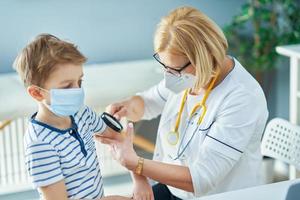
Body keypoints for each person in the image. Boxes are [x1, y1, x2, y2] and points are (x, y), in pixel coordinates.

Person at [97, 6, 269, 200]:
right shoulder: (186, 76)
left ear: (205, 59)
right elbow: (148, 102)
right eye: (164, 66)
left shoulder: (242, 97)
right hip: (174, 189)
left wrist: (137, 165)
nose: (168, 76)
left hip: (217, 194)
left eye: (175, 69)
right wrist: (126, 107)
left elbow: (202, 178)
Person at [13, 34, 132, 200]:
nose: (78, 92)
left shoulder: (81, 112)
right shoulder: (40, 144)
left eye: (80, 82)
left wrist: (139, 177)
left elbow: (116, 137)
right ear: (37, 93)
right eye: (67, 86)